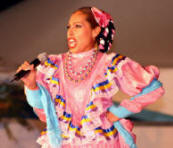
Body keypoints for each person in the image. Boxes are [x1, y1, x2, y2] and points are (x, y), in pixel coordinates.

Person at [17, 6, 164, 148]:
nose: (70, 32)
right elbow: (43, 109)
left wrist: (118, 112)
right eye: (68, 27)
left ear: (95, 31)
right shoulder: (53, 64)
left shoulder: (110, 64)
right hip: (64, 142)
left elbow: (153, 89)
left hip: (100, 142)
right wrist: (31, 86)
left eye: (77, 26)